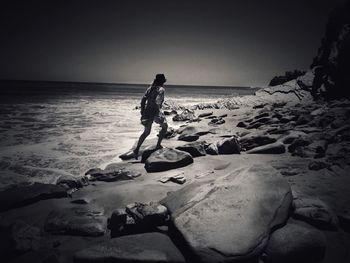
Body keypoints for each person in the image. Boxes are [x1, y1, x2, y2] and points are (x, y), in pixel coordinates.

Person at [133, 74, 168, 159]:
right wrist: (158, 112)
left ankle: (136, 149)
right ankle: (158, 145)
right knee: (165, 126)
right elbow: (157, 101)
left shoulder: (150, 88)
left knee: (146, 132)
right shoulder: (161, 89)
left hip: (147, 111)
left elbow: (143, 100)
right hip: (155, 112)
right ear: (162, 82)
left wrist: (142, 111)